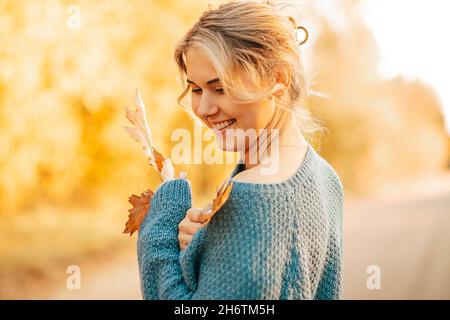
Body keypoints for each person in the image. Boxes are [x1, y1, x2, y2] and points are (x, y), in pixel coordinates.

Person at [137, 0, 344, 300]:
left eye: (220, 87)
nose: (204, 109)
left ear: (278, 79)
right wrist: (206, 249)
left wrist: (160, 233)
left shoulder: (252, 200)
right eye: (196, 89)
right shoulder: (325, 178)